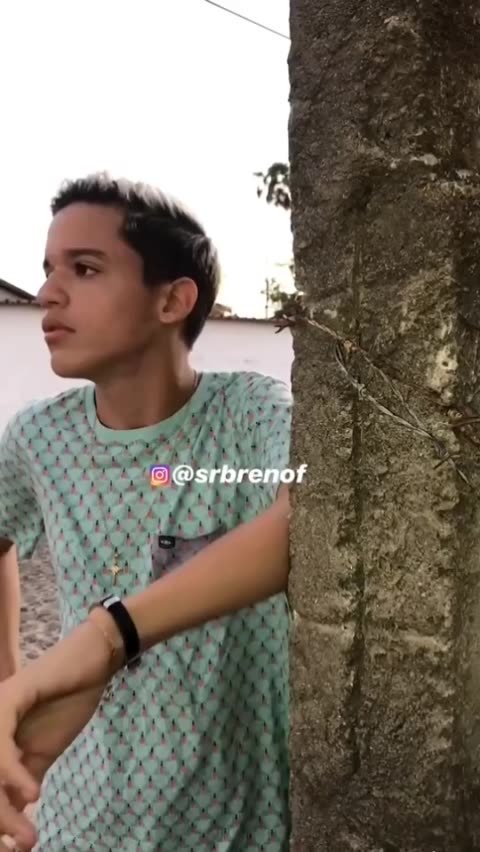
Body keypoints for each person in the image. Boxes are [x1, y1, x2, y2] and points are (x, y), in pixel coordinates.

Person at [0, 173, 294, 852]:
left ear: (172, 299)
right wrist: (15, 678)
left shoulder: (250, 416)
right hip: (75, 819)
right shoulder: (38, 438)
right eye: (47, 268)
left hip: (240, 823)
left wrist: (108, 636)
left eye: (84, 268)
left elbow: (310, 519)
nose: (47, 292)